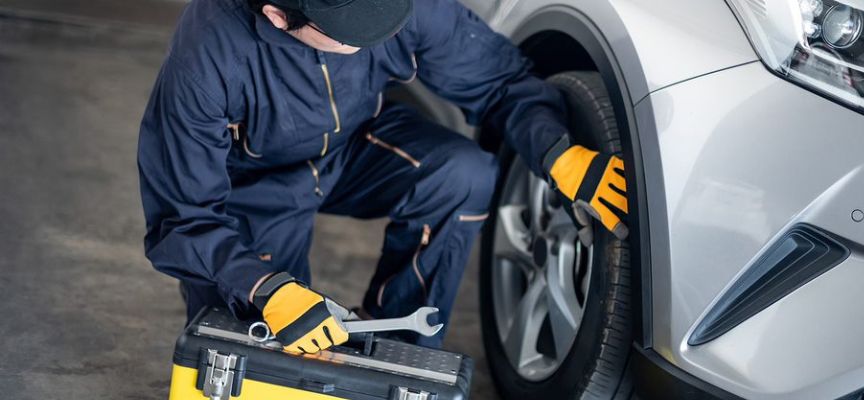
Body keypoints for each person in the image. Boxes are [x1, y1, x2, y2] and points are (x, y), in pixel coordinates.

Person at [138, 0, 628, 351]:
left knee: (462, 173)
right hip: (255, 185)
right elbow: (182, 219)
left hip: (354, 144)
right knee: (266, 341)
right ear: (278, 15)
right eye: (351, 28)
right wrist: (261, 284)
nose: (380, 27)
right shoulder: (207, 57)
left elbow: (498, 78)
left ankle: (399, 349)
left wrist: (558, 152)